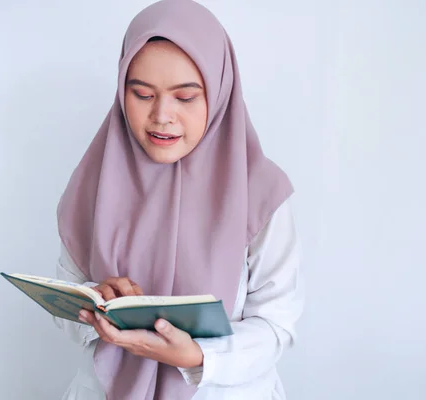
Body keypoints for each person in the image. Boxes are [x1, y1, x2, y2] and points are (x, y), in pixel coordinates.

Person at [52, 0, 304, 398]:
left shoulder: (261, 192)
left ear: (220, 92)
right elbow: (65, 307)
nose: (162, 116)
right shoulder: (95, 181)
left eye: (185, 97)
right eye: (141, 94)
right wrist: (96, 304)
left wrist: (200, 356)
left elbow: (277, 325)